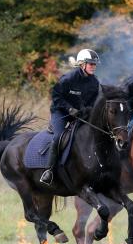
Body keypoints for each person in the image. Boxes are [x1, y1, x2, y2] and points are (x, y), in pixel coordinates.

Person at [40, 49, 100, 185]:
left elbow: (93, 102)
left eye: (95, 64)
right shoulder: (68, 78)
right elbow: (56, 96)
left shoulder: (95, 82)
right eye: (91, 64)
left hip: (80, 114)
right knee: (58, 137)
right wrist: (69, 109)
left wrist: (87, 110)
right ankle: (49, 171)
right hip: (61, 112)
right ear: (82, 64)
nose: (93, 67)